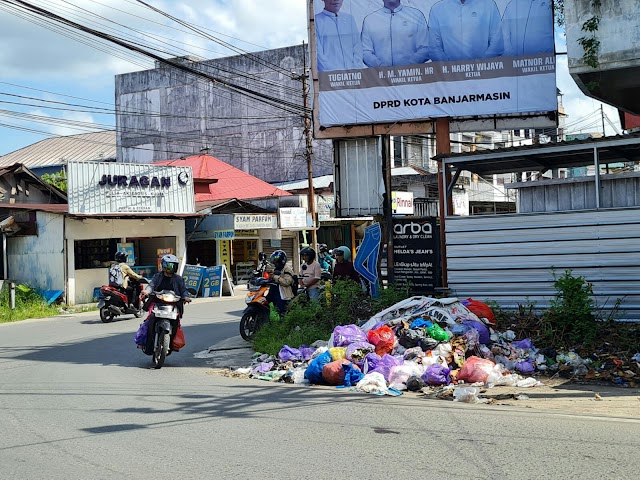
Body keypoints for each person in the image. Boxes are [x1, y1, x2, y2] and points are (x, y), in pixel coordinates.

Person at [428, 0, 504, 62]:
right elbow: (434, 47)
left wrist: (482, 66)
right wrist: (449, 69)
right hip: (449, 76)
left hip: (485, 75)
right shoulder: (437, 9)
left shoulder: (489, 5)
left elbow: (497, 43)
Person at [361, 0, 430, 67]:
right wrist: (381, 67)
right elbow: (365, 52)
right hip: (380, 76)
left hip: (412, 75)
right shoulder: (370, 20)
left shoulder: (416, 15)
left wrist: (409, 65)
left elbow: (425, 47)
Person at [315, 0, 364, 71]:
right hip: (330, 77)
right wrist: (333, 74)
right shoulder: (316, 21)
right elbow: (318, 55)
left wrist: (356, 70)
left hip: (353, 76)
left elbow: (357, 47)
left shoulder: (349, 19)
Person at [267, 250, 295, 315]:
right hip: (274, 293)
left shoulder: (287, 269)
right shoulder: (276, 269)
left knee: (281, 312)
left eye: (276, 262)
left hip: (283, 294)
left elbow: (286, 282)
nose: (274, 264)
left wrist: (275, 277)